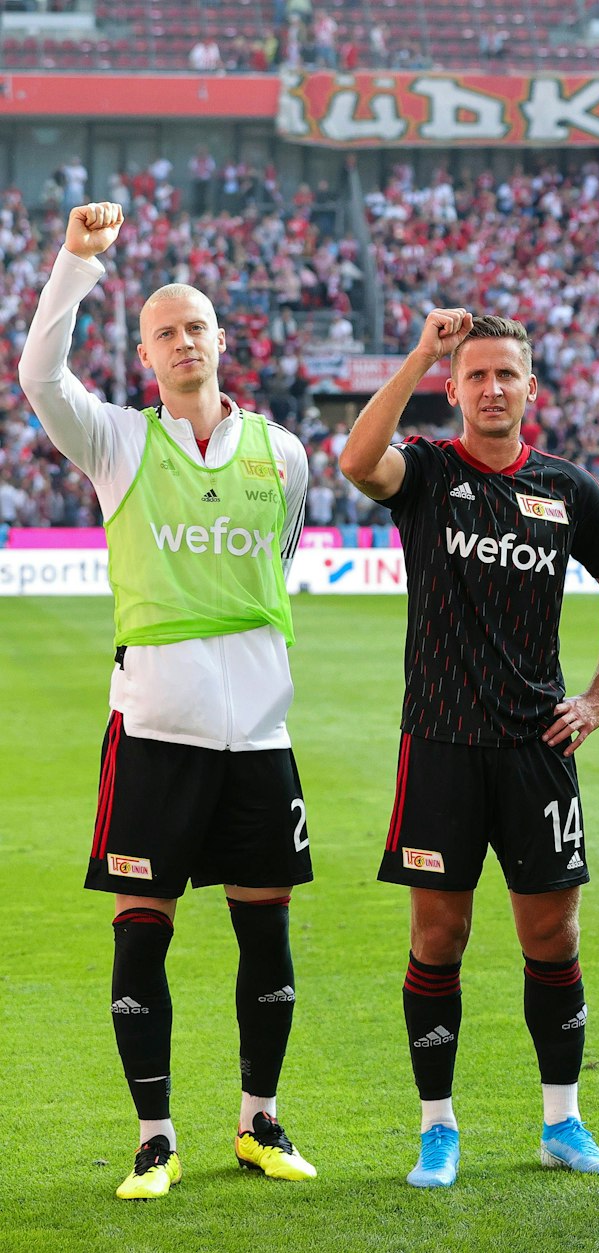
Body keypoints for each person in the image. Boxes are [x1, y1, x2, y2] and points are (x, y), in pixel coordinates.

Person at [20, 202, 316, 1200]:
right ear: (144, 354)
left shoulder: (283, 452)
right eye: (164, 332)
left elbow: (279, 561)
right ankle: (155, 1137)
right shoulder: (115, 440)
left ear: (221, 341)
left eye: (196, 326)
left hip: (261, 734)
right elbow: (39, 377)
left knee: (266, 934)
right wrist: (76, 263)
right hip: (154, 728)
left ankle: (259, 1120)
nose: (183, 341)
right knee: (143, 926)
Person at [339, 309, 599, 1189]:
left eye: (507, 373)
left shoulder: (569, 489)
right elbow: (357, 461)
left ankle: (563, 1121)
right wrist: (419, 352)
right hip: (440, 743)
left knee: (553, 932)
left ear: (531, 388)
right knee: (440, 936)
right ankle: (437, 1129)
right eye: (475, 374)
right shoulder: (428, 472)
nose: (492, 387)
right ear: (454, 388)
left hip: (536, 747)